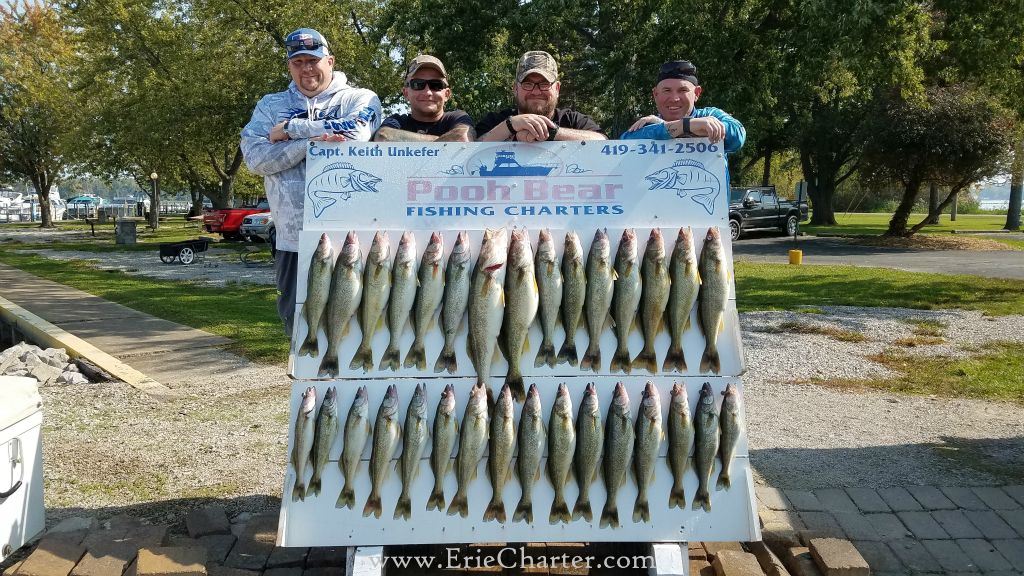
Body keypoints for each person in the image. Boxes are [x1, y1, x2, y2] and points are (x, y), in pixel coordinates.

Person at [241, 28, 382, 336]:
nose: (306, 69)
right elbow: (256, 158)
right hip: (292, 243)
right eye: (298, 62)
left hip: (352, 243)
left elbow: (356, 135)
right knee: (300, 329)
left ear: (329, 61)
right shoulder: (269, 105)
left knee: (358, 327)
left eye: (313, 60)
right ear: (290, 66)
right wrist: (310, 144)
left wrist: (290, 129)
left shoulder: (360, 98)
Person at [476, 51, 606, 142]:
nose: (536, 91)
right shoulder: (495, 121)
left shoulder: (573, 121)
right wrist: (511, 126)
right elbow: (468, 150)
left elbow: (603, 142)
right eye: (527, 84)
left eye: (544, 84)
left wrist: (552, 133)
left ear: (557, 88)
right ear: (515, 88)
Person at [621, 60, 745, 153]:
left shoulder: (711, 115)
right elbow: (623, 144)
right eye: (667, 90)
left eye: (683, 90)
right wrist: (687, 125)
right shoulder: (648, 124)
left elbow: (737, 137)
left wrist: (683, 127)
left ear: (696, 93)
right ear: (655, 94)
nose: (675, 98)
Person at [373, 55, 474, 142]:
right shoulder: (397, 121)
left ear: (447, 94)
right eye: (418, 84)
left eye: (436, 85)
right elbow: (383, 137)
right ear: (406, 93)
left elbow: (462, 138)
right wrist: (443, 141)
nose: (427, 92)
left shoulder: (457, 118)